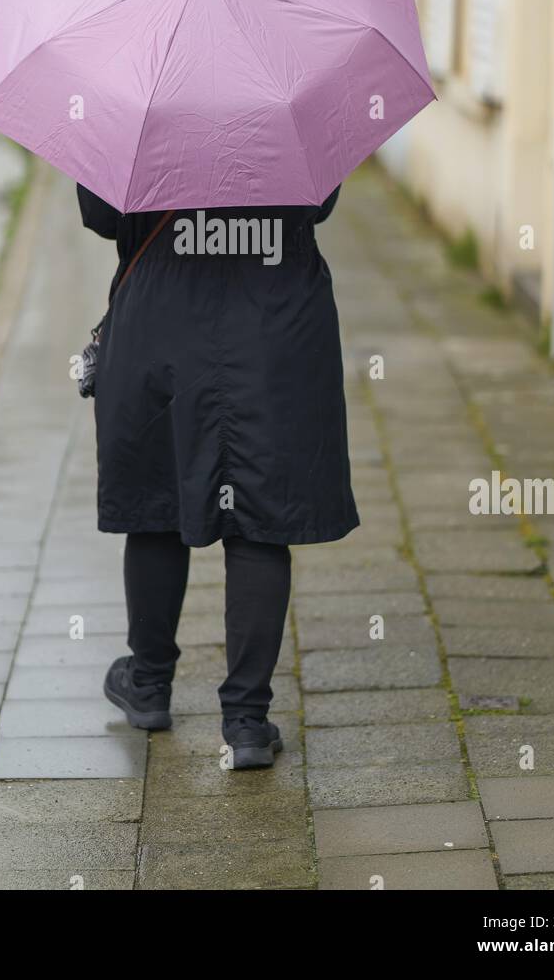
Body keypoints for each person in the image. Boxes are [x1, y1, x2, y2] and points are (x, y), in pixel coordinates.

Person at [76, 184, 358, 769]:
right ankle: (246, 722)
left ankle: (149, 685)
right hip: (273, 324)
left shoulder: (134, 96)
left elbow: (103, 216)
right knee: (259, 519)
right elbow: (317, 202)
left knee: (157, 503)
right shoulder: (282, 95)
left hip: (161, 320)